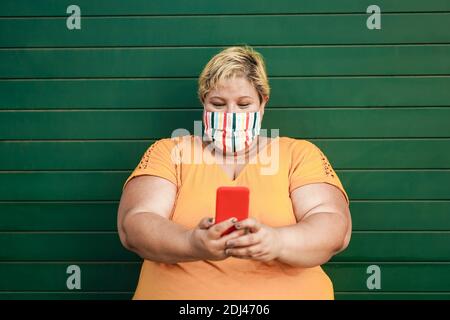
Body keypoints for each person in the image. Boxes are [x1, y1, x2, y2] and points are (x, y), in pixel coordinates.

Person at [117, 45, 352, 299]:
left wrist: (277, 241)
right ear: (204, 104)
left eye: (244, 104)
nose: (231, 114)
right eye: (218, 104)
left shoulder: (299, 154)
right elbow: (135, 223)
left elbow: (334, 227)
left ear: (263, 103)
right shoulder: (170, 151)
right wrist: (191, 243)